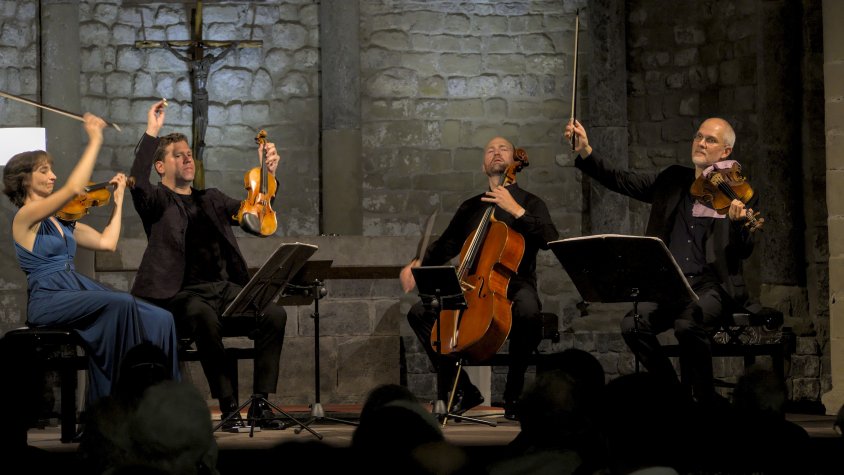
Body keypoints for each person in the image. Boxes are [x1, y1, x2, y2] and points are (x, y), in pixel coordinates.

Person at [565, 117, 760, 406]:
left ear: (726, 152)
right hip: (669, 284)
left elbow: (743, 251)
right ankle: (675, 394)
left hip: (710, 287)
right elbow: (622, 180)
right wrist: (586, 151)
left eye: (710, 140)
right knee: (632, 323)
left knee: (686, 324)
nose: (701, 143)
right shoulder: (671, 180)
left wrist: (741, 224)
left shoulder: (738, 194)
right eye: (699, 137)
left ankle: (704, 401)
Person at [1, 113, 180, 409]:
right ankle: (116, 408)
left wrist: (119, 202)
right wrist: (95, 138)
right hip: (49, 298)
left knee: (162, 318)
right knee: (121, 304)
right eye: (44, 171)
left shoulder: (63, 221)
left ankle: (165, 406)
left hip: (75, 289)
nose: (53, 176)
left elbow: (106, 243)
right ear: (24, 179)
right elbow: (72, 188)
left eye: (52, 171)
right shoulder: (25, 218)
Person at [129, 100, 287, 428]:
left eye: (189, 153)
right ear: (160, 166)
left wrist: (266, 173)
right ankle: (228, 406)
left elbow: (253, 217)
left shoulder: (212, 198)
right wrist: (152, 132)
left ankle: (261, 404)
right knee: (202, 315)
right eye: (178, 154)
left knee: (274, 313)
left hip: (226, 292)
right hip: (181, 296)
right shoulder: (156, 201)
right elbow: (137, 182)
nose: (188, 158)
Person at [400, 136, 559, 420]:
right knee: (419, 313)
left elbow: (549, 238)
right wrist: (417, 262)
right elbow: (447, 244)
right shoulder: (471, 207)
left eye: (503, 149)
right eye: (490, 150)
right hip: (473, 284)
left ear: (514, 160)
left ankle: (513, 396)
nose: (496, 152)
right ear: (484, 165)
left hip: (515, 283)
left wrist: (516, 211)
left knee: (528, 310)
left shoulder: (531, 202)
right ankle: (462, 389)